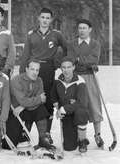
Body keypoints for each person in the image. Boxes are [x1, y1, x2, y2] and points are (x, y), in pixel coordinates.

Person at [19, 8, 67, 142]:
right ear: (38, 18)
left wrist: (58, 63)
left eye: (48, 18)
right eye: (43, 17)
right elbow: (25, 55)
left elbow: (66, 49)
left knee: (47, 100)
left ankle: (46, 133)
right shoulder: (31, 34)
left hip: (47, 69)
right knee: (31, 98)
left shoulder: (56, 35)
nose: (45, 20)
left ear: (51, 20)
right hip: (33, 69)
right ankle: (25, 132)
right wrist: (22, 73)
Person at [67, 19, 104, 148]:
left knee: (94, 105)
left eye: (84, 28)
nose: (81, 30)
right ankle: (81, 137)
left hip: (90, 77)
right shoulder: (72, 44)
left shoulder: (95, 44)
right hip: (75, 78)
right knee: (79, 105)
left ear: (90, 29)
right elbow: (71, 59)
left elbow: (94, 59)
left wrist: (79, 60)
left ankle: (98, 135)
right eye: (80, 28)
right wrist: (84, 62)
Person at [10, 59, 55, 150]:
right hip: (15, 112)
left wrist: (23, 105)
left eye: (37, 70)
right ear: (26, 69)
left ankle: (43, 139)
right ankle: (24, 135)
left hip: (23, 108)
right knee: (10, 145)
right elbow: (26, 100)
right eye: (32, 69)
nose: (35, 72)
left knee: (41, 109)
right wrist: (27, 103)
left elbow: (42, 99)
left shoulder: (39, 80)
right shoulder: (17, 80)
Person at [51, 56, 89, 153]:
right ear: (61, 68)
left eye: (69, 67)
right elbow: (53, 94)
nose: (66, 70)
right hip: (66, 114)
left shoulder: (80, 81)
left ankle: (82, 140)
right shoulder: (57, 80)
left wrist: (63, 108)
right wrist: (56, 104)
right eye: (64, 67)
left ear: (73, 67)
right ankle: (76, 134)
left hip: (76, 111)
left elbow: (82, 102)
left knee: (81, 111)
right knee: (69, 147)